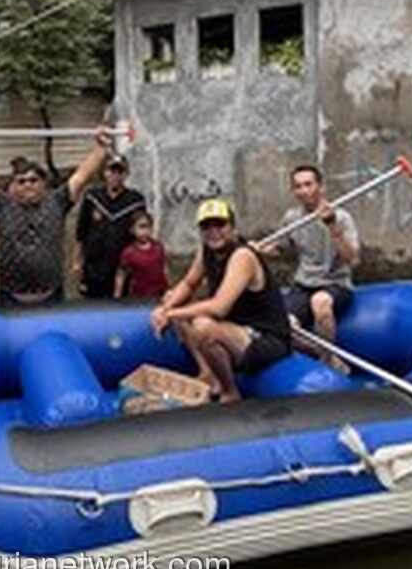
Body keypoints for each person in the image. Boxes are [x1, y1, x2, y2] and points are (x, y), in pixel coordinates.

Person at [0, 127, 113, 307]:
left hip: (51, 296)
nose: (28, 185)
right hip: (11, 298)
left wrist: (101, 148)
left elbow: (82, 175)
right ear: (12, 186)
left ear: (44, 184)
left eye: (33, 180)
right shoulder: (2, 205)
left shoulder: (58, 202)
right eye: (21, 181)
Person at [150, 199, 291, 403]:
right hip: (235, 327)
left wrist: (168, 314)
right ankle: (208, 373)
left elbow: (219, 307)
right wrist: (166, 307)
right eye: (207, 226)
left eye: (220, 225)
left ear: (232, 228)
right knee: (174, 299)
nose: (213, 231)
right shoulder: (206, 251)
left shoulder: (242, 256)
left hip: (263, 336)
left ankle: (229, 391)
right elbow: (189, 283)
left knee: (202, 326)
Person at [260, 165, 360, 371]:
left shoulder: (341, 217)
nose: (304, 191)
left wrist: (332, 226)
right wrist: (259, 249)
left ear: (320, 187)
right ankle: (320, 353)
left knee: (320, 302)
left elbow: (352, 259)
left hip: (336, 283)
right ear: (294, 192)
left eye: (308, 184)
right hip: (303, 285)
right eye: (298, 186)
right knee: (283, 325)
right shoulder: (292, 218)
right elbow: (281, 249)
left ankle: (328, 361)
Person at [73, 155, 146, 299]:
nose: (115, 176)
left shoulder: (135, 200)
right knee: (92, 306)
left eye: (120, 172)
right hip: (94, 266)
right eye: (111, 171)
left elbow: (142, 232)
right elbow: (81, 230)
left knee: (119, 305)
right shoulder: (92, 197)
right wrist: (76, 261)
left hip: (122, 266)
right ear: (104, 172)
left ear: (126, 174)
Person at [115, 210, 168, 300]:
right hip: (138, 297)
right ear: (132, 230)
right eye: (141, 227)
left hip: (158, 295)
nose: (145, 231)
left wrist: (168, 290)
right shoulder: (129, 252)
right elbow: (121, 275)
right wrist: (117, 296)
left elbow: (164, 269)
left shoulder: (158, 247)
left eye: (148, 227)